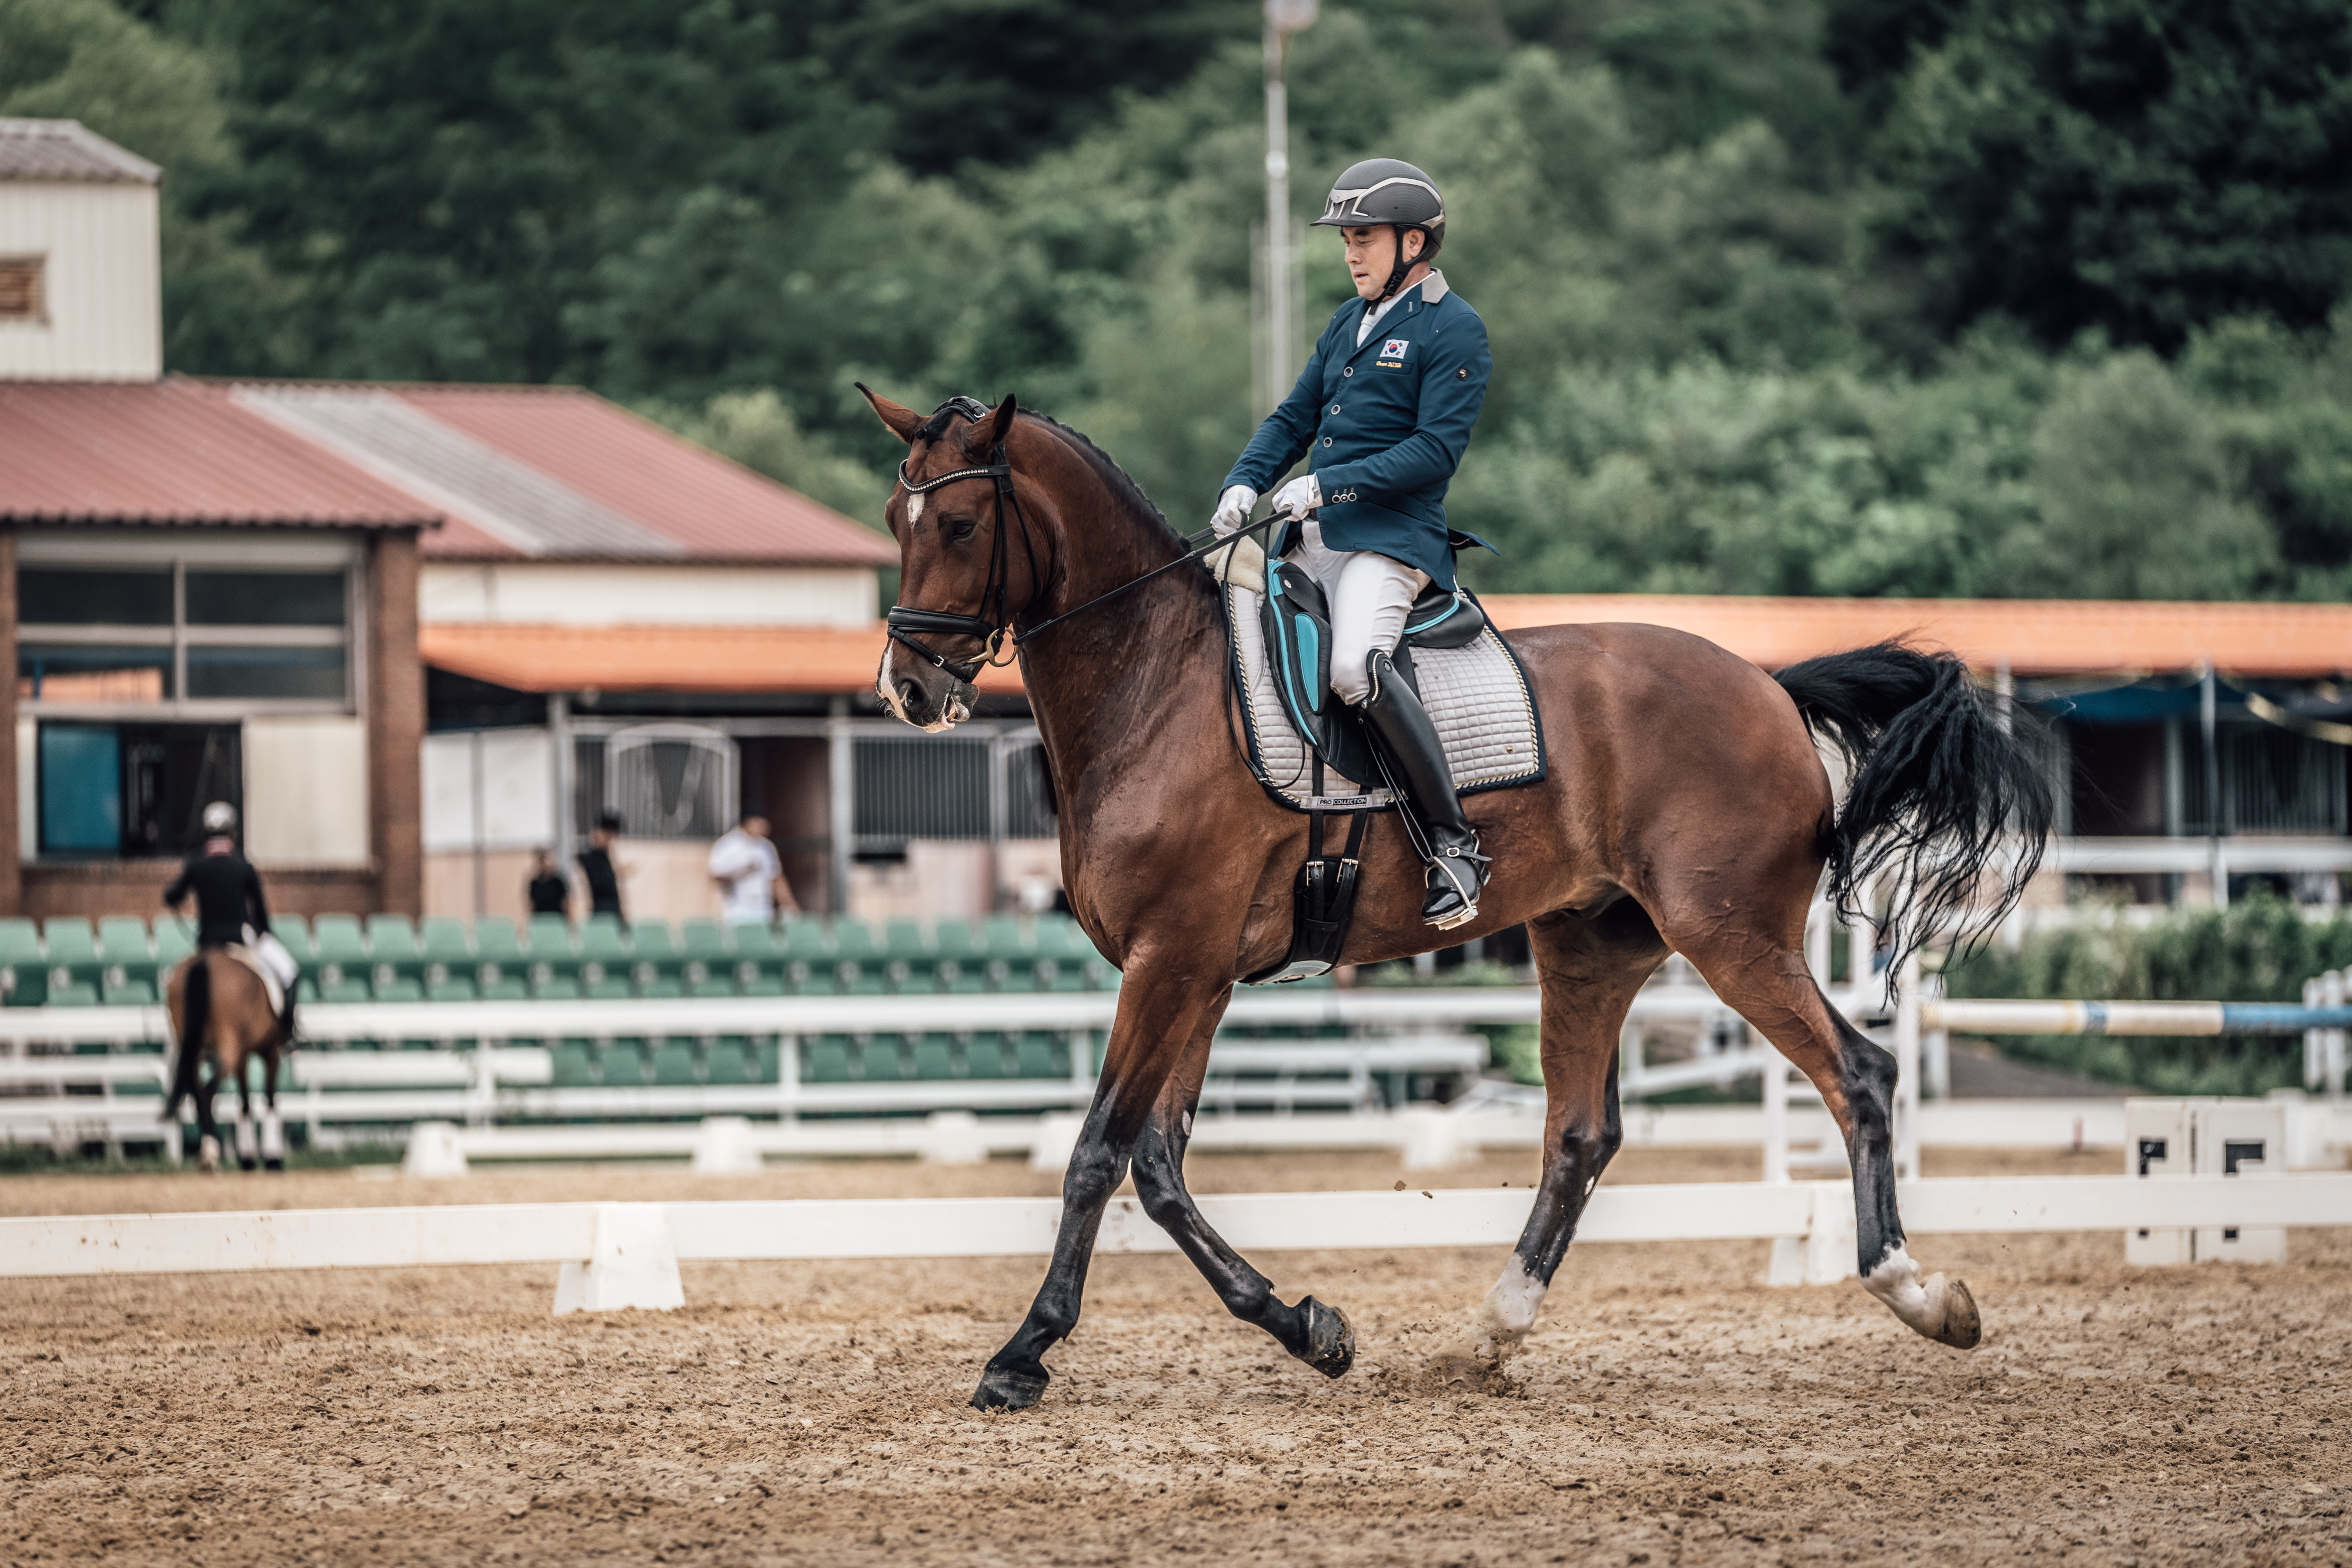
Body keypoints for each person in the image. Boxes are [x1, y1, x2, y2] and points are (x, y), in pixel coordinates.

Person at [1210, 157, 1495, 928]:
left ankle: (1454, 844)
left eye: (1363, 238)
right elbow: (1293, 418)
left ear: (1414, 241)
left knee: (1353, 666)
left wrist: (1329, 486)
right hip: (1314, 535)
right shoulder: (1347, 320)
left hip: (1390, 541)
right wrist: (1246, 479)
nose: (1351, 253)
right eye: (1347, 240)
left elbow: (1435, 451)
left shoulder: (1452, 327)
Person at [162, 801, 299, 1038]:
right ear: (231, 833)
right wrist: (265, 932)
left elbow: (173, 896)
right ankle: (288, 1032)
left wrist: (172, 892)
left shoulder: (196, 865)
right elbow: (261, 915)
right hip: (240, 937)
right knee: (289, 971)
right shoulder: (243, 866)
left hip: (208, 941)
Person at [709, 813, 796, 925]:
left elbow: (775, 877)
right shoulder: (727, 845)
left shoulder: (766, 847)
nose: (765, 829)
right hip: (737, 908)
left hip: (763, 907)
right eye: (760, 824)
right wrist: (741, 870)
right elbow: (715, 875)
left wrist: (789, 904)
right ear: (749, 823)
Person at [577, 812, 627, 924]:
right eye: (609, 836)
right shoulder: (589, 858)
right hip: (601, 907)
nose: (611, 841)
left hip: (612, 906)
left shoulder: (606, 856)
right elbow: (599, 884)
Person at [525, 848, 569, 918]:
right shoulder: (535, 884)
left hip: (557, 919)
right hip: (540, 920)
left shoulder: (558, 882)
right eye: (546, 860)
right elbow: (531, 905)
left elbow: (565, 903)